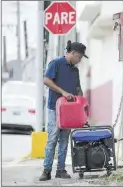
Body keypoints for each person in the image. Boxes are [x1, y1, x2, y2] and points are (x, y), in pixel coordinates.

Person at [39, 40, 88, 181]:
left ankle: (60, 170)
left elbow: (78, 88)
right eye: (79, 57)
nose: (79, 60)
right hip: (55, 108)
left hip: (69, 111)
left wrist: (81, 101)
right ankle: (46, 170)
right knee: (52, 139)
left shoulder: (75, 70)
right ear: (72, 53)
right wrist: (63, 92)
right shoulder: (56, 63)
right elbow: (46, 80)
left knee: (65, 141)